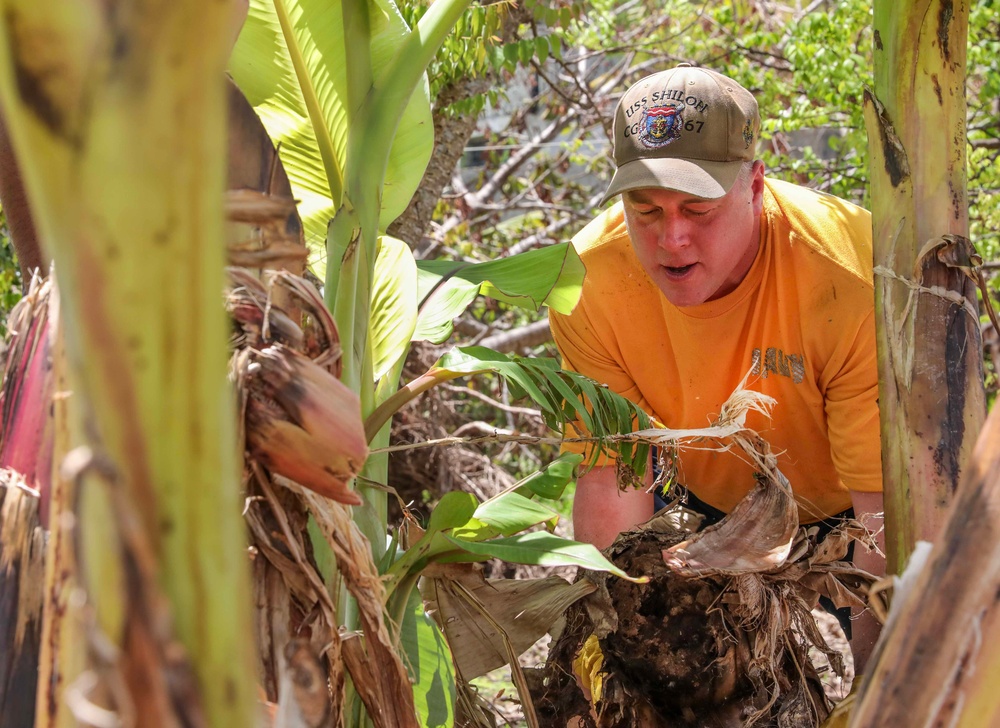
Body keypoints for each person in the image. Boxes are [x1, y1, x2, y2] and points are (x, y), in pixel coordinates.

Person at [548, 64, 885, 673]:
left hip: (849, 515)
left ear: (755, 185)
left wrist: (883, 697)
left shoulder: (845, 278)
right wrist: (609, 662)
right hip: (699, 500)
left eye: (697, 209)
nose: (671, 238)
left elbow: (885, 510)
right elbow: (612, 478)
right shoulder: (587, 282)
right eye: (644, 209)